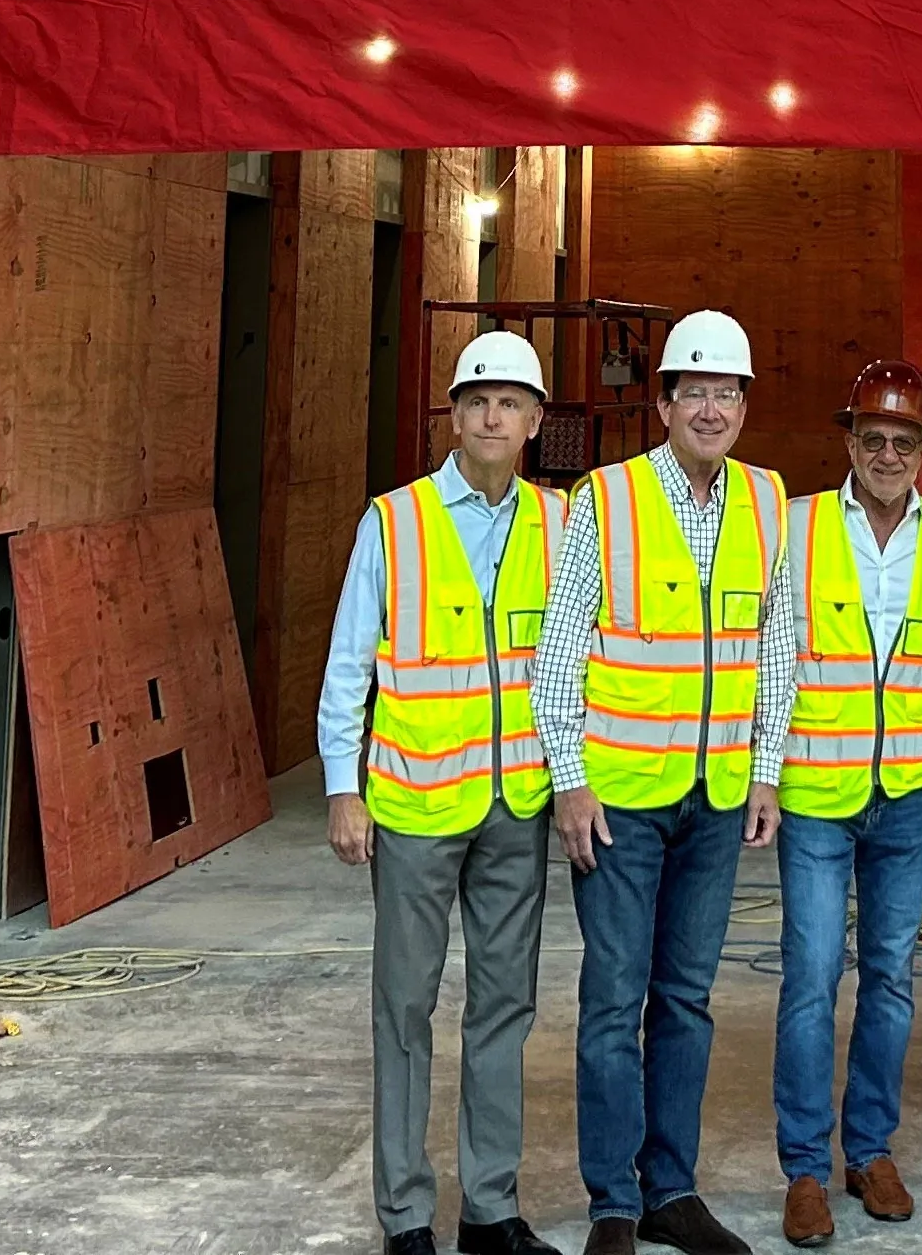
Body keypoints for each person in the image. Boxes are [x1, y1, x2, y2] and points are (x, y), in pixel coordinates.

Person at [531, 310, 793, 1255]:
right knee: (612, 999)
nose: (714, 408)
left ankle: (670, 1190)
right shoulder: (605, 500)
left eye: (729, 391)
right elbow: (558, 650)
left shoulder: (767, 501)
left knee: (685, 997)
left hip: (718, 795)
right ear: (665, 402)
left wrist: (765, 769)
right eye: (697, 391)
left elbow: (776, 643)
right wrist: (570, 779)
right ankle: (613, 1202)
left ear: (743, 403)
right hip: (621, 797)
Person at [318, 330, 568, 1255]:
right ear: (453, 417)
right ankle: (405, 1215)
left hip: (517, 806)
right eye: (476, 402)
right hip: (417, 803)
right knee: (405, 1008)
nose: (492, 417)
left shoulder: (561, 521)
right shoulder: (395, 521)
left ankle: (491, 1210)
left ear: (538, 420)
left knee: (506, 1006)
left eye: (510, 403)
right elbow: (351, 665)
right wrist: (343, 788)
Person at [774, 360, 922, 1248]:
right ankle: (806, 1170)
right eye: (873, 438)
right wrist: (762, 773)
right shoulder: (795, 527)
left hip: (909, 793)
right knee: (812, 981)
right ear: (849, 440)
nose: (888, 454)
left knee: (892, 980)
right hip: (816, 789)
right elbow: (769, 655)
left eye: (905, 441)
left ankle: (871, 1150)